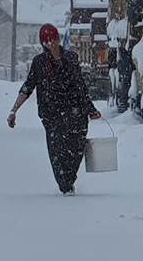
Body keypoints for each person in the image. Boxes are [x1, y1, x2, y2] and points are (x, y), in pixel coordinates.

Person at [7, 23, 102, 195]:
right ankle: (65, 184)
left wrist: (90, 109)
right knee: (57, 151)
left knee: (76, 148)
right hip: (53, 115)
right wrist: (14, 110)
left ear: (58, 39)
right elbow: (28, 87)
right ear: (43, 43)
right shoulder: (39, 63)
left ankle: (69, 179)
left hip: (76, 113)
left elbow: (80, 86)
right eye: (47, 41)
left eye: (54, 39)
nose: (51, 43)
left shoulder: (72, 59)